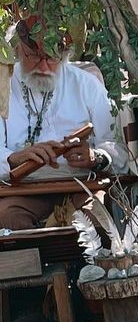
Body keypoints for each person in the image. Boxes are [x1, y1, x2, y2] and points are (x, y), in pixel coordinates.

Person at [0, 16, 126, 231]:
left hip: (81, 188)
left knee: (95, 217)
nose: (43, 66)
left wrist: (96, 157)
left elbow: (119, 150)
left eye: (51, 58)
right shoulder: (4, 85)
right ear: (19, 50)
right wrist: (14, 158)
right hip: (23, 191)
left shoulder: (86, 84)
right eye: (34, 56)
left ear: (65, 55)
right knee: (7, 216)